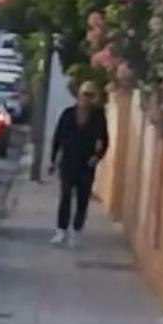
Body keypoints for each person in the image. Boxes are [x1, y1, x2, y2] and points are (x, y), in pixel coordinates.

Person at [49, 81, 109, 248]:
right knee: (66, 196)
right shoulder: (68, 114)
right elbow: (58, 137)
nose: (87, 99)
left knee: (83, 199)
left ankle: (76, 230)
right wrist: (53, 160)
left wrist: (97, 157)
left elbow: (104, 140)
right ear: (78, 95)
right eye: (84, 94)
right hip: (68, 161)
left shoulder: (98, 116)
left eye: (90, 95)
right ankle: (61, 230)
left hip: (86, 163)